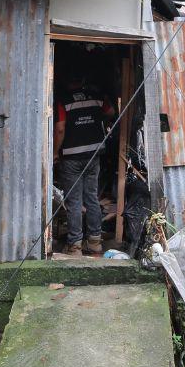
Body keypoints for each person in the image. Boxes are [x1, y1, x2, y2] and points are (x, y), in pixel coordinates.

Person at [54, 73, 114, 256]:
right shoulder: (96, 98)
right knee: (92, 198)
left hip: (71, 158)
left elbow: (60, 128)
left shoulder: (62, 101)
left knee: (74, 202)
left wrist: (55, 152)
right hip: (93, 155)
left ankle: (75, 246)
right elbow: (111, 112)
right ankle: (95, 242)